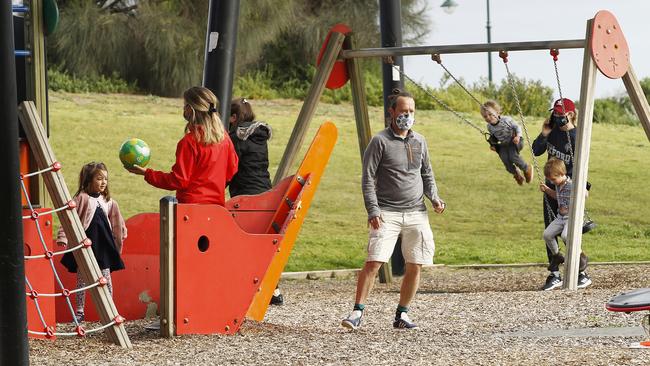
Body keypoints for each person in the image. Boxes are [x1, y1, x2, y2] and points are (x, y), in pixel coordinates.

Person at [341, 89, 445, 331]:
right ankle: (357, 312)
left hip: (417, 212)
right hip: (386, 212)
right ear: (391, 112)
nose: (407, 116)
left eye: (411, 112)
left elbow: (427, 173)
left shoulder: (420, 140)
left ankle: (402, 314)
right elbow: (367, 178)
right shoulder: (380, 141)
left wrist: (435, 198)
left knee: (415, 263)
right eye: (403, 111)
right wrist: (372, 210)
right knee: (374, 261)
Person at [125, 86, 239, 205]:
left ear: (190, 109)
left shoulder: (189, 142)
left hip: (190, 211)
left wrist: (147, 173)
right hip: (217, 209)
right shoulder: (224, 137)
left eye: (185, 105)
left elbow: (178, 181)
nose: (183, 109)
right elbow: (232, 169)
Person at [532, 98, 591, 290]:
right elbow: (536, 150)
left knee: (569, 233)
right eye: (555, 114)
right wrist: (544, 133)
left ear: (570, 115)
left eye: (560, 115)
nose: (557, 117)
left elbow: (582, 166)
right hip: (551, 190)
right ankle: (554, 274)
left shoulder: (577, 136)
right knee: (550, 231)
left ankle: (581, 272)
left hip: (570, 192)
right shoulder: (553, 133)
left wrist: (583, 188)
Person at [228, 97, 282, 306]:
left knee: (243, 242)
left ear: (233, 117)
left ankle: (247, 287)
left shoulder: (236, 138)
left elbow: (232, 168)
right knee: (262, 242)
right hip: (265, 194)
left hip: (245, 197)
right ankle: (274, 289)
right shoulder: (259, 137)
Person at [57, 162, 127, 323]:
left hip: (103, 246)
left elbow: (117, 223)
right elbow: (69, 219)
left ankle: (110, 310)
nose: (103, 182)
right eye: (99, 178)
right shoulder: (81, 198)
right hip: (85, 246)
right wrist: (63, 237)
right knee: (83, 278)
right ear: (88, 180)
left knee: (106, 278)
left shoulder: (109, 201)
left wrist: (121, 234)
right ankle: (79, 311)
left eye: (106, 179)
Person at [539, 158, 590, 289]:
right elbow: (557, 196)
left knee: (566, 236)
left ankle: (581, 256)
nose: (551, 181)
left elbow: (585, 195)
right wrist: (546, 190)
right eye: (550, 180)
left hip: (572, 218)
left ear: (562, 174)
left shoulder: (572, 185)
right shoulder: (558, 185)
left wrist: (583, 189)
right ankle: (557, 256)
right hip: (560, 218)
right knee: (547, 234)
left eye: (553, 179)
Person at [481, 100, 533, 185]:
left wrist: (518, 136)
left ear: (497, 112)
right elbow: (493, 137)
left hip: (514, 141)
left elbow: (517, 127)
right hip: (504, 144)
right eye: (485, 116)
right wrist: (493, 145)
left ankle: (526, 168)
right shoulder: (489, 126)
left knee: (513, 157)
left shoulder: (506, 120)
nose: (488, 118)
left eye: (490, 114)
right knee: (505, 160)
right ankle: (516, 174)